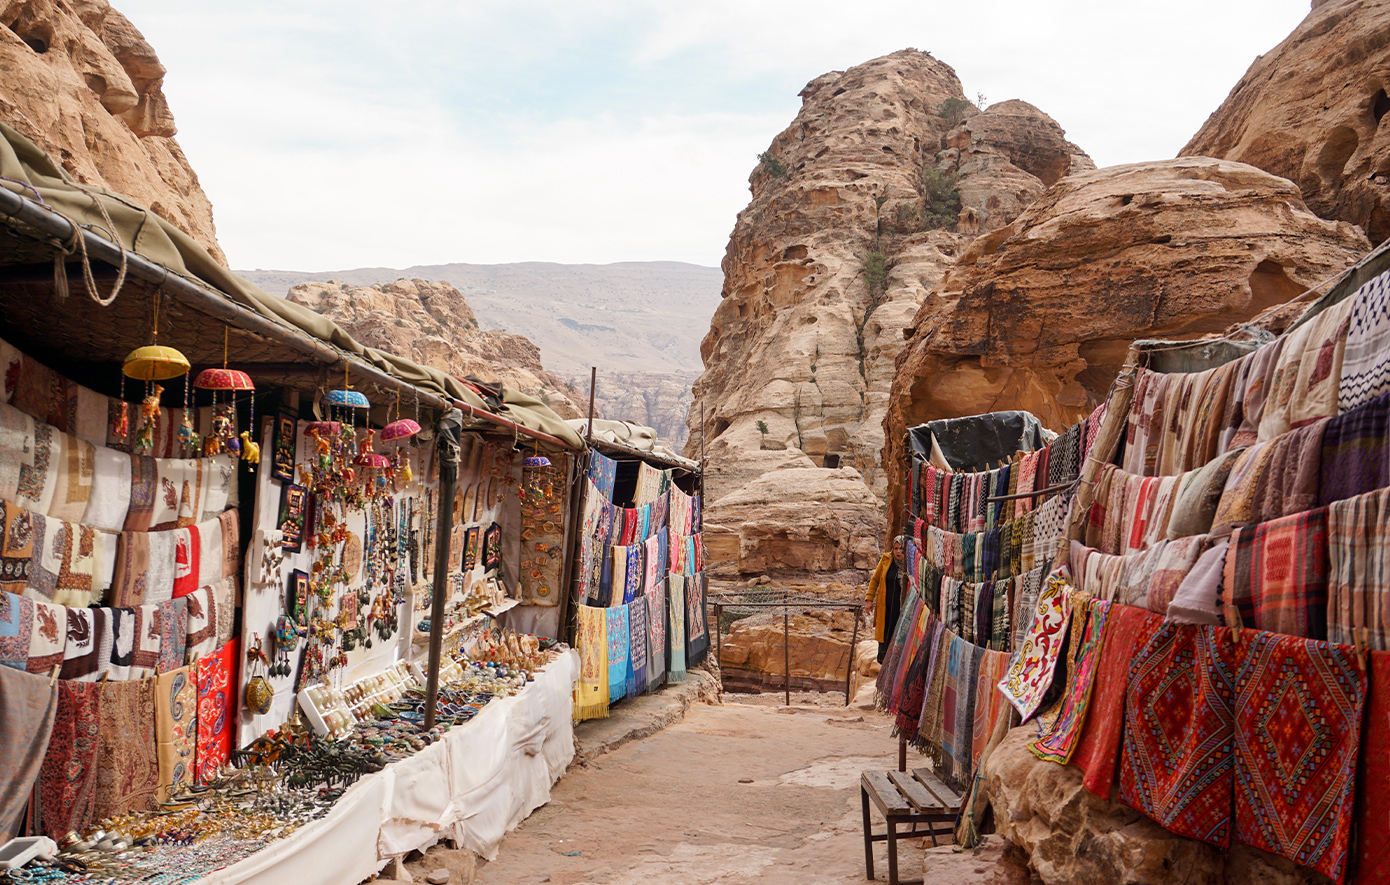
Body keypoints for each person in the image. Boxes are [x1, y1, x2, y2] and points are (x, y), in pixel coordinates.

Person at [866, 535, 908, 662]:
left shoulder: (909, 564)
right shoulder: (886, 560)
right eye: (895, 548)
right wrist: (869, 599)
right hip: (885, 607)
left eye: (901, 548)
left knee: (897, 636)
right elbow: (875, 580)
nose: (898, 551)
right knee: (884, 635)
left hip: (900, 609)